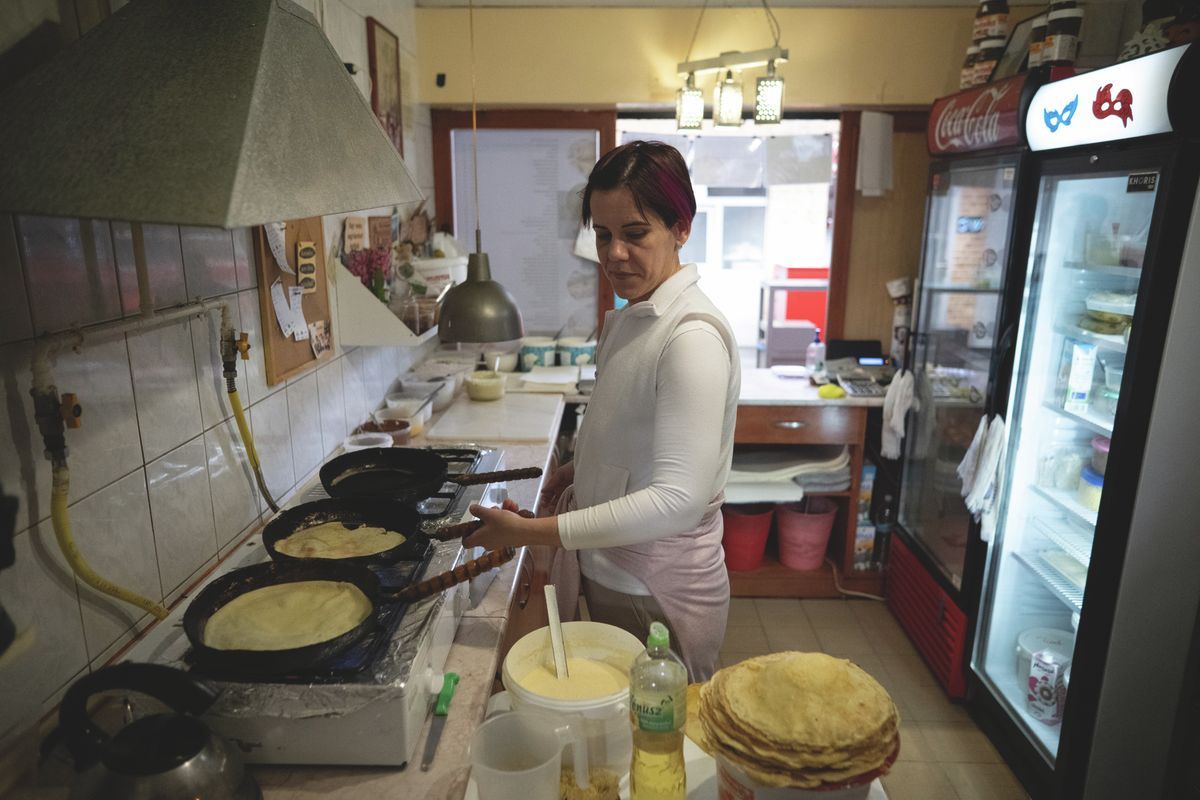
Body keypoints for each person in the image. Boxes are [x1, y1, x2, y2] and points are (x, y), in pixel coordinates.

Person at [464, 140, 740, 681]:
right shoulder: (640, 316)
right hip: (613, 566)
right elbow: (628, 429)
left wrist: (533, 533)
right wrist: (579, 470)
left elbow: (678, 502)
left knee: (654, 741)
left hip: (655, 586)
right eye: (604, 234)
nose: (614, 254)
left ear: (682, 227)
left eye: (635, 234)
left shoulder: (690, 338)